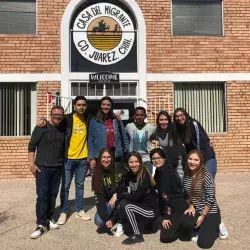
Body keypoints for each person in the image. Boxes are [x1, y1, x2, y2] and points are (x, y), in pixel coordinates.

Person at [28, 106, 66, 239]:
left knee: (53, 195)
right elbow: (32, 146)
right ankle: (40, 224)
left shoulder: (64, 127)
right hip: (43, 168)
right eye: (55, 114)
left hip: (57, 167)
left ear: (63, 115)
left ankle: (49, 219)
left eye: (60, 114)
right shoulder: (41, 127)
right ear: (51, 114)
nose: (57, 116)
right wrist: (32, 164)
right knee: (43, 196)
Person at [58, 96, 91, 224]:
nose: (81, 107)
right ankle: (64, 211)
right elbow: (55, 120)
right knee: (65, 186)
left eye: (83, 105)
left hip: (82, 159)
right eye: (78, 105)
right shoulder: (68, 118)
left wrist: (116, 116)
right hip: (68, 159)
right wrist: (43, 121)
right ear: (74, 106)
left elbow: (102, 119)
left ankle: (80, 210)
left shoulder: (88, 119)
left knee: (80, 186)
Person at [181, 149, 224, 249]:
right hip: (197, 209)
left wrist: (203, 216)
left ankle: (217, 227)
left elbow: (211, 198)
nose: (192, 162)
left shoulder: (206, 175)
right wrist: (191, 205)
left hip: (209, 212)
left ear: (201, 162)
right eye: (190, 159)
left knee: (204, 244)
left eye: (196, 160)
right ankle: (201, 227)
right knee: (184, 221)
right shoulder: (187, 174)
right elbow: (188, 194)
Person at [118, 151, 159, 245]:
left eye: (136, 162)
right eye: (131, 162)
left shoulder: (145, 176)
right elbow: (120, 191)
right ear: (127, 163)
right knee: (124, 205)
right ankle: (143, 227)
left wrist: (123, 195)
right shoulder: (128, 176)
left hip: (150, 211)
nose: (134, 164)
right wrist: (120, 194)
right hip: (139, 207)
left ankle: (138, 235)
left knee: (126, 205)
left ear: (140, 162)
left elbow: (136, 196)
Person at [150, 148, 188, 243]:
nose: (156, 160)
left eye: (159, 158)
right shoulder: (160, 170)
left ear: (164, 159)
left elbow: (165, 196)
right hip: (168, 204)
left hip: (176, 206)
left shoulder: (165, 172)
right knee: (153, 225)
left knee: (166, 238)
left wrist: (167, 216)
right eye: (153, 158)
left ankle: (183, 226)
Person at [172, 108, 217, 180]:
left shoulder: (193, 123)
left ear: (185, 115)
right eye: (176, 116)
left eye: (181, 115)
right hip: (194, 159)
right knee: (196, 185)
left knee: (208, 183)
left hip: (207, 158)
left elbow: (200, 141)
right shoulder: (179, 128)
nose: (179, 118)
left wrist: (198, 159)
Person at [92, 148, 128, 237]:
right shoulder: (96, 175)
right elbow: (99, 199)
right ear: (100, 159)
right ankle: (115, 218)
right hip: (109, 203)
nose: (106, 159)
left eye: (108, 157)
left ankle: (120, 219)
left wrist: (116, 195)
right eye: (104, 157)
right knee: (99, 221)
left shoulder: (118, 167)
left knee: (120, 203)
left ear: (111, 158)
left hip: (121, 198)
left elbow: (127, 185)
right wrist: (106, 218)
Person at [88, 96, 129, 170]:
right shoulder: (94, 121)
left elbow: (124, 137)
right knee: (101, 178)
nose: (106, 107)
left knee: (115, 178)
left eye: (108, 105)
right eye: (103, 104)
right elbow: (91, 140)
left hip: (115, 155)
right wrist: (91, 158)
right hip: (100, 156)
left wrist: (128, 153)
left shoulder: (116, 120)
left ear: (111, 107)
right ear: (100, 106)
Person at [125, 107, 156, 173]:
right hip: (133, 160)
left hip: (147, 160)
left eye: (141, 115)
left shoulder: (152, 128)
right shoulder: (129, 126)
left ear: (145, 116)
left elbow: (158, 140)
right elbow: (125, 139)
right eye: (137, 115)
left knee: (147, 181)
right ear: (134, 116)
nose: (139, 117)